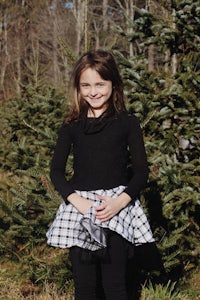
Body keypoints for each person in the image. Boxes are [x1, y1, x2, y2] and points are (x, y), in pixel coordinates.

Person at [46, 50, 155, 300]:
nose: (93, 91)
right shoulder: (71, 125)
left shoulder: (127, 122)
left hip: (115, 208)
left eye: (100, 84)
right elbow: (56, 171)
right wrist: (77, 201)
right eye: (86, 85)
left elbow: (141, 172)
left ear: (113, 83)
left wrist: (120, 202)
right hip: (79, 210)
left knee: (115, 287)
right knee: (84, 288)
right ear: (78, 87)